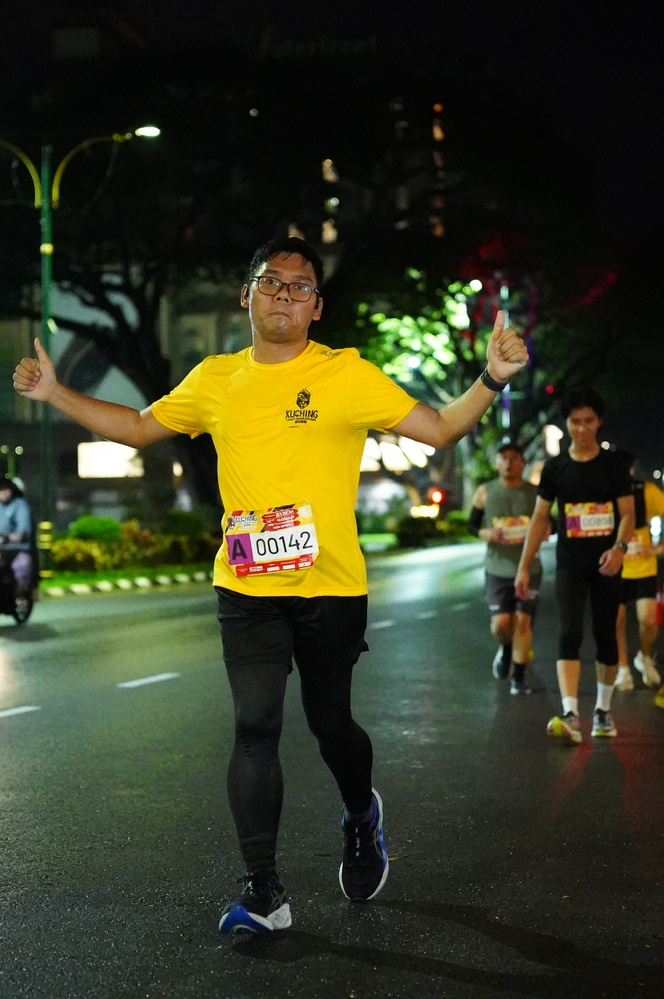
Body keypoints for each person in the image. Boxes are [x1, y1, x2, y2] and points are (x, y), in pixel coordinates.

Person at [13, 235, 527, 934]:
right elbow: (134, 427)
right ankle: (263, 890)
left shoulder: (346, 373)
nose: (285, 294)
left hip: (331, 587)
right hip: (246, 586)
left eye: (300, 286)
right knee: (255, 725)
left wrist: (492, 378)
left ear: (317, 307)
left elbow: (438, 429)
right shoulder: (215, 379)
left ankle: (360, 813)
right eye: (271, 282)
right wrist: (53, 392)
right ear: (246, 296)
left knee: (330, 724)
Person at [515, 387, 634, 744]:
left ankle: (603, 710)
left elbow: (627, 514)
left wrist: (619, 549)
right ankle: (570, 714)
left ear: (599, 422)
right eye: (575, 421)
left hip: (607, 563)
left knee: (605, 633)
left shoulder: (614, 465)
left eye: (589, 421)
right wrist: (524, 566)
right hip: (570, 563)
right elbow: (540, 518)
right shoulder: (555, 468)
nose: (581, 428)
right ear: (566, 423)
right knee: (569, 633)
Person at [468, 440, 542, 695]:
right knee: (501, 625)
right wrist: (485, 533)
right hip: (497, 568)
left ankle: (518, 678)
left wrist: (545, 530)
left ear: (523, 462)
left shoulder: (535, 493)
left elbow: (550, 522)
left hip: (529, 568)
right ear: (497, 463)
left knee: (522, 621)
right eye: (503, 458)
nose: (508, 463)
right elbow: (472, 525)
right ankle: (506, 648)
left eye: (513, 458)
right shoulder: (485, 491)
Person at [614, 453, 664, 691]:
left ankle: (644, 658)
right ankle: (623, 670)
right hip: (616, 568)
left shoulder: (648, 491)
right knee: (616, 621)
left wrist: (658, 548)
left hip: (644, 567)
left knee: (648, 620)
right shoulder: (605, 493)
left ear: (633, 469)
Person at [0, 476, 34, 601]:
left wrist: (12, 537)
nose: (3, 492)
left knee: (21, 567)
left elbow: (23, 530)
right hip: (1, 549)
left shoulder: (20, 505)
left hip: (16, 549)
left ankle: (19, 595)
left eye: (6, 489)